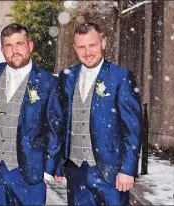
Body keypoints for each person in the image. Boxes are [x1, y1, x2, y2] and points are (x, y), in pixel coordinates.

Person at [54, 22, 142, 206]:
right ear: (74, 48)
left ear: (103, 42)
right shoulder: (66, 77)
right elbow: (59, 122)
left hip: (111, 173)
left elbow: (132, 129)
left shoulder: (121, 77)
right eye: (82, 47)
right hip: (76, 172)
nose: (87, 52)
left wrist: (128, 169)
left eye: (92, 45)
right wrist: (56, 160)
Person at [0, 23, 63, 205]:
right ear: (2, 50)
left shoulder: (48, 82)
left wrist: (47, 171)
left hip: (30, 174)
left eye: (19, 44)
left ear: (30, 46)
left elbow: (56, 128)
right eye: (8, 46)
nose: (14, 51)